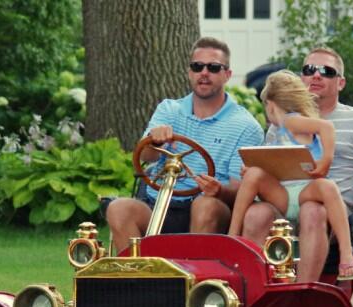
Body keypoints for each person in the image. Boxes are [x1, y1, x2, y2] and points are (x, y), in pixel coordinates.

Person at [240, 47, 353, 286]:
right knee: (256, 213)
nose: (316, 75)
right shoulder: (281, 123)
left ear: (341, 82)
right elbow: (270, 165)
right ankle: (252, 291)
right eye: (309, 70)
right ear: (301, 78)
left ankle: (302, 294)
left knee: (313, 209)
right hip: (287, 199)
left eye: (327, 71)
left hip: (334, 208)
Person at [106, 37, 264, 253]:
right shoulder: (168, 110)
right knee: (118, 208)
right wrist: (154, 139)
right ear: (190, 72)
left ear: (227, 74)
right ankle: (137, 281)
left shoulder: (246, 126)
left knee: (204, 205)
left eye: (213, 67)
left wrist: (218, 190)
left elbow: (241, 188)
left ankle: (193, 282)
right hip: (158, 201)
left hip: (210, 207)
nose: (204, 73)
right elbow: (146, 157)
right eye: (197, 66)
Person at [228, 70, 353, 280]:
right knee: (253, 174)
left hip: (304, 190)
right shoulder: (278, 132)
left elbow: (327, 127)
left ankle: (346, 252)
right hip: (284, 195)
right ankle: (234, 237)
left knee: (327, 186)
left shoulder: (291, 121)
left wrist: (326, 160)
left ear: (270, 104)